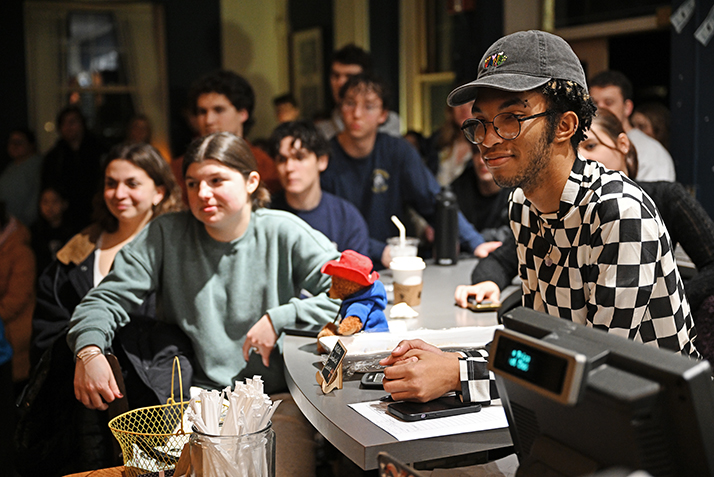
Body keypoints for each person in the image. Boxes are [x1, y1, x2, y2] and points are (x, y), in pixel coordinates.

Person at [380, 30, 698, 405]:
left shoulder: (620, 211)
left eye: (511, 118)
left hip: (650, 432)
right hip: (570, 425)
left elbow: (601, 369)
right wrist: (453, 360)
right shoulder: (524, 206)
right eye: (480, 122)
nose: (489, 139)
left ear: (564, 126)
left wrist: (458, 376)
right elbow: (540, 346)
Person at [68, 132, 340, 477]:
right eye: (193, 183)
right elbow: (105, 299)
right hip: (194, 402)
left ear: (251, 181)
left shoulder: (282, 231)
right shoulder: (166, 233)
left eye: (216, 180)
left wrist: (282, 317)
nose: (202, 194)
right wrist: (89, 350)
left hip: (275, 401)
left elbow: (350, 295)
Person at [20, 143, 185, 476]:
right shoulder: (79, 247)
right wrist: (83, 354)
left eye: (132, 183)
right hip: (81, 412)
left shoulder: (177, 247)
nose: (119, 193)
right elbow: (48, 322)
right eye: (111, 183)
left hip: (154, 406)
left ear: (159, 191)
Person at [320, 73, 501, 269]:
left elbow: (434, 201)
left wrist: (476, 243)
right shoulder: (324, 158)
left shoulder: (397, 152)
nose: (357, 113)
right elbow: (321, 224)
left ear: (383, 115)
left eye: (369, 106)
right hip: (340, 266)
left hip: (391, 268)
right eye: (349, 104)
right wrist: (378, 250)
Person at [170, 70, 281, 198]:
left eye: (219, 110)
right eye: (202, 112)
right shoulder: (178, 168)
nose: (208, 120)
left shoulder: (265, 166)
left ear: (242, 114)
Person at [268, 120, 370, 256]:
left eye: (299, 157)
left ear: (322, 161)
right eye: (282, 159)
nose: (289, 167)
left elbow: (358, 273)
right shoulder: (267, 215)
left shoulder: (346, 218)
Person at [589, 70, 675, 182]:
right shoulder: (581, 144)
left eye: (609, 102)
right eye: (594, 103)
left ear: (627, 108)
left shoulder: (650, 151)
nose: (599, 109)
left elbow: (655, 196)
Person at [41, 105, 108, 232]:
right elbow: (49, 186)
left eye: (73, 122)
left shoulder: (98, 150)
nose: (69, 127)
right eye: (64, 123)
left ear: (82, 124)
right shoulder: (54, 156)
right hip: (65, 219)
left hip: (96, 213)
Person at [315, 44, 402, 140]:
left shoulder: (388, 121)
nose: (341, 83)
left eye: (350, 77)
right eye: (336, 76)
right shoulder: (321, 129)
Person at [450, 144, 512, 243]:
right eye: (476, 152)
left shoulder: (518, 192)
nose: (481, 161)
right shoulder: (459, 188)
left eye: (490, 153)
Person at [0, 128, 42, 227]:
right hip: (6, 225)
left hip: (23, 225)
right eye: (11, 142)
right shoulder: (11, 167)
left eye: (18, 142)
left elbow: (35, 200)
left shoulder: (36, 165)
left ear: (31, 144)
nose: (14, 146)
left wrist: (25, 222)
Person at [30, 186, 74, 278]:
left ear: (64, 204)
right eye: (45, 202)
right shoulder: (34, 232)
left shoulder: (74, 233)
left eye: (55, 201)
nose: (49, 207)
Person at [429, 102, 476, 186]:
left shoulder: (484, 145)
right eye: (460, 103)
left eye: (470, 104)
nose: (464, 110)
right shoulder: (438, 140)